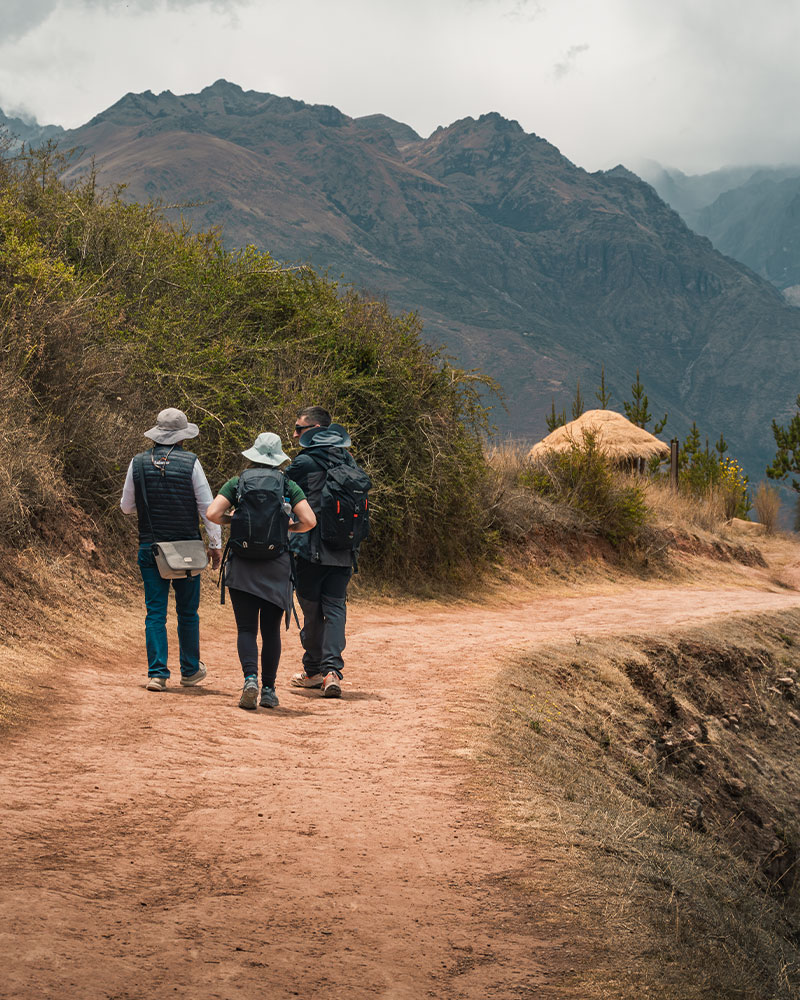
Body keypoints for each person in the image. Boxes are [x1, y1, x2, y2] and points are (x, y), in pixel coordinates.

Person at [205, 432, 316, 711]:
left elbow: (212, 514)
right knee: (270, 632)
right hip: (276, 565)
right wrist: (287, 528)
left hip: (242, 565)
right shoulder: (287, 484)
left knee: (245, 628)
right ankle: (268, 690)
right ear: (278, 458)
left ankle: (250, 680)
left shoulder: (238, 482)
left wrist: (235, 520)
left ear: (253, 455)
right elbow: (309, 521)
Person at [120, 408, 223, 692]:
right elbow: (207, 508)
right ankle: (190, 671)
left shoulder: (138, 462)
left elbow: (126, 507)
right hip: (186, 549)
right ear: (181, 438)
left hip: (150, 547)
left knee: (155, 612)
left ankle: (157, 674)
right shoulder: (191, 463)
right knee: (188, 612)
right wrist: (215, 545)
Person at [286, 406, 361, 698]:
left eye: (299, 429)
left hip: (308, 549)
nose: (294, 434)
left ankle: (314, 670)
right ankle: (331, 672)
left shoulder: (303, 463)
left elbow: (282, 495)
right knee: (335, 608)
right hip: (344, 549)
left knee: (311, 611)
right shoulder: (350, 462)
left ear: (315, 429)